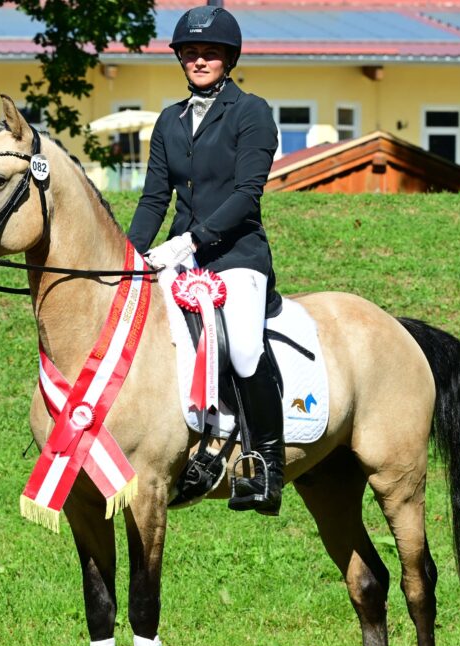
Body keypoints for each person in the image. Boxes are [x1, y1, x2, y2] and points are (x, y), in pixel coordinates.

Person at [126, 6, 285, 515]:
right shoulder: (169, 120)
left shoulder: (251, 111)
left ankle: (266, 463)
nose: (199, 60)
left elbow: (247, 194)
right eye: (191, 52)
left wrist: (193, 240)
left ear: (228, 58)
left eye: (209, 53)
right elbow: (154, 199)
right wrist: (128, 258)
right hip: (181, 260)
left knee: (240, 347)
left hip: (236, 255)